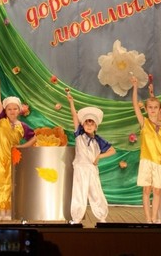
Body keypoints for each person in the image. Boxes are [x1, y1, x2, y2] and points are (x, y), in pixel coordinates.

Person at [0, 72, 37, 220]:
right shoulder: (1, 121)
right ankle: (2, 211)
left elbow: (34, 137)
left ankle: (11, 210)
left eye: (15, 109)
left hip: (13, 157)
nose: (12, 111)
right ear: (5, 111)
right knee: (0, 182)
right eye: (9, 109)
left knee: (12, 183)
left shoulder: (22, 126)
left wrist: (23, 147)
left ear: (19, 110)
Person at [67, 91, 116, 225]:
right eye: (86, 123)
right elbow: (74, 116)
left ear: (96, 126)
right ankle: (76, 218)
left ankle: (102, 217)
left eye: (91, 123)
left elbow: (112, 150)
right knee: (79, 192)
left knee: (96, 192)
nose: (89, 126)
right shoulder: (79, 135)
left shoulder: (98, 140)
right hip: (80, 168)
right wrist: (71, 102)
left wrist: (99, 156)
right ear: (83, 125)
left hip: (92, 169)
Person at [131, 76, 161, 224]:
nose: (153, 110)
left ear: (160, 109)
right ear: (146, 108)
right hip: (146, 160)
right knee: (146, 190)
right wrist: (135, 87)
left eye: (155, 107)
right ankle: (148, 218)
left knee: (157, 190)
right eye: (150, 107)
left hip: (159, 162)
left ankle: (155, 217)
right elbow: (135, 105)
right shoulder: (144, 122)